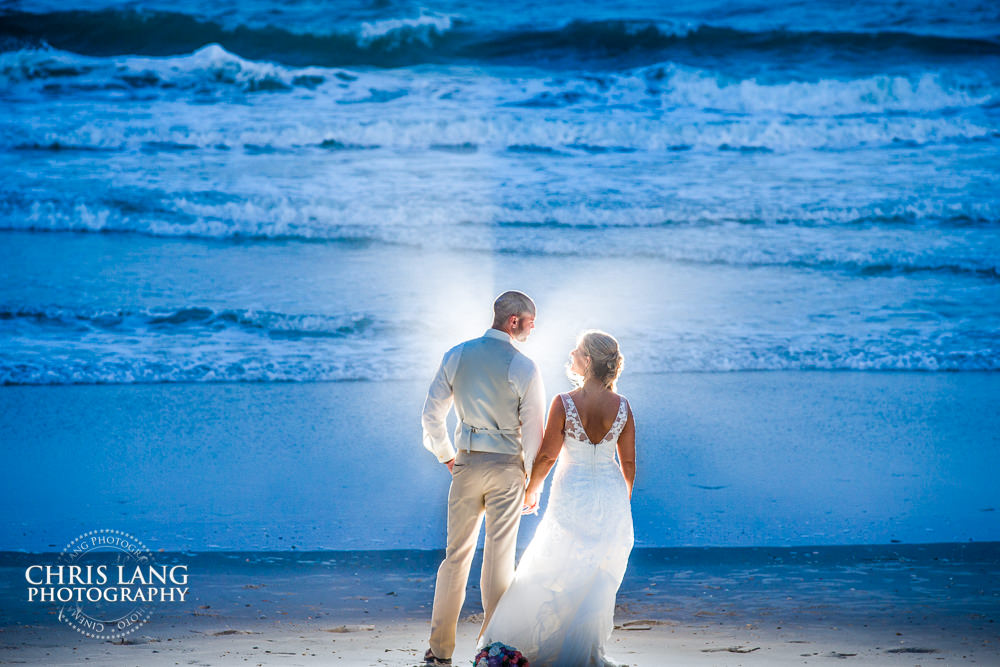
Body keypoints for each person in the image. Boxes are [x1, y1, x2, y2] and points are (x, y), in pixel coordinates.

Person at [478, 330, 636, 667]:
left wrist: (531, 488)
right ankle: (582, 650)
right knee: (596, 570)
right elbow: (629, 462)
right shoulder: (622, 406)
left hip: (572, 489)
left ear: (588, 361)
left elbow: (548, 455)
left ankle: (526, 638)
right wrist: (624, 500)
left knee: (555, 560)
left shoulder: (565, 402)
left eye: (578, 350)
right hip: (610, 492)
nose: (572, 354)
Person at [421, 291, 546, 666]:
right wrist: (531, 481)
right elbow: (534, 433)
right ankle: (491, 648)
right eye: (530, 322)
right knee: (498, 558)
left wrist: (446, 456)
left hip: (466, 464)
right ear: (514, 321)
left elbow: (430, 416)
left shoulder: (456, 354)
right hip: (508, 467)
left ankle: (440, 649)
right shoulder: (524, 367)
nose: (532, 329)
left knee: (455, 557)